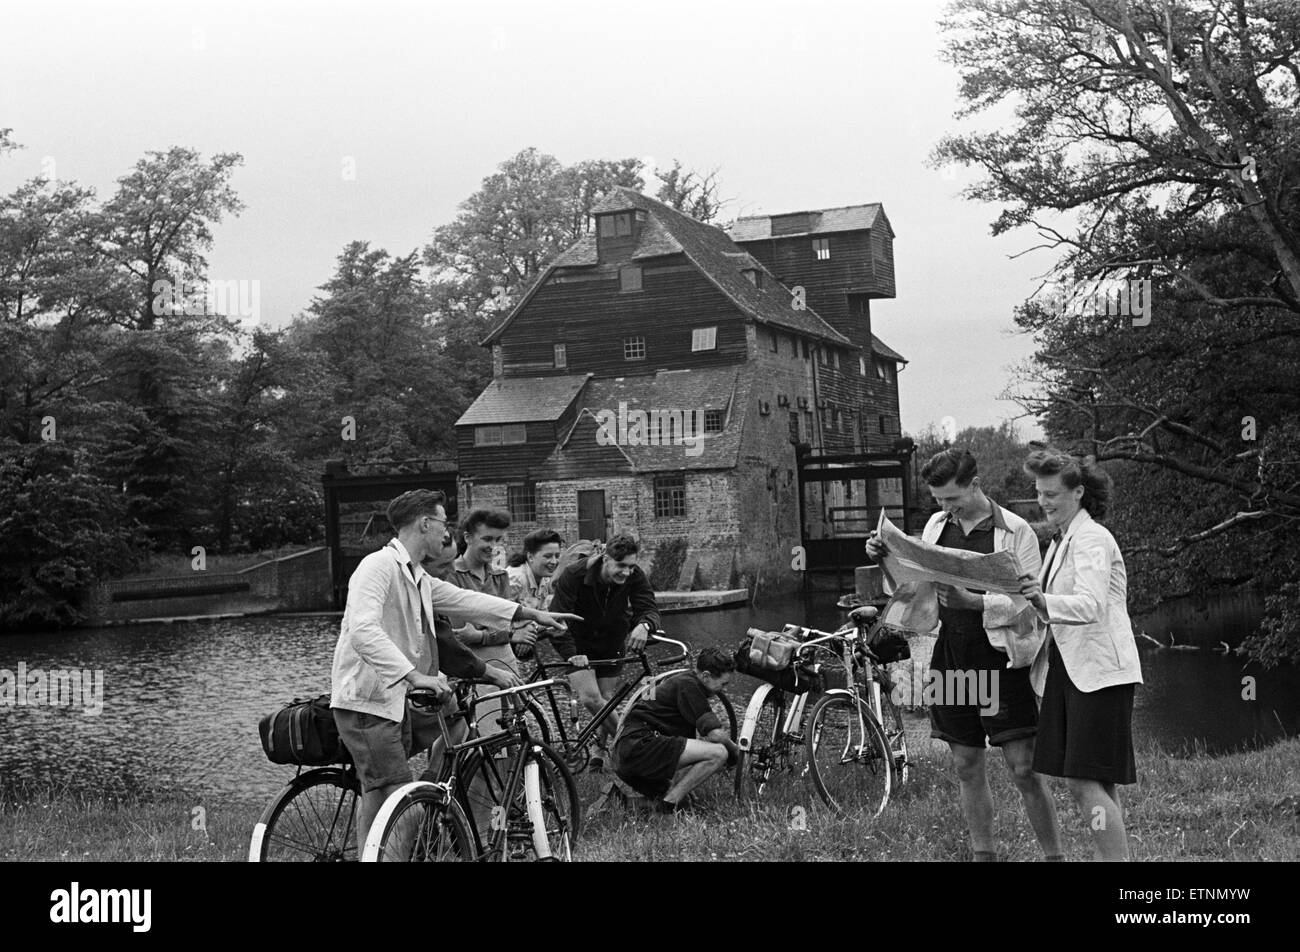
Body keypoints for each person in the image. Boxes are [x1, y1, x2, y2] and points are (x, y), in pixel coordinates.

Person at [329, 490, 582, 853]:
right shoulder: (377, 567)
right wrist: (414, 676)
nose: (446, 531)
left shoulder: (415, 575)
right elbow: (362, 630)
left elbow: (466, 600)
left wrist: (530, 614)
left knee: (410, 767)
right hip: (367, 700)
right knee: (398, 797)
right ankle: (408, 836)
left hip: (393, 700)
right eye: (443, 522)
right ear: (424, 523)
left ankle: (430, 801)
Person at [865, 448, 1063, 862]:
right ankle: (982, 855)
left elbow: (1029, 602)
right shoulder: (937, 525)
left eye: (952, 499)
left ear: (975, 484)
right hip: (951, 654)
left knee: (1022, 767)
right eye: (938, 500)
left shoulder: (1017, 530)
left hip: (1000, 659)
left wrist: (972, 601)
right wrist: (886, 560)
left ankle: (1054, 857)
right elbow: (911, 590)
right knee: (966, 763)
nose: (944, 508)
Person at [1018, 448, 1142, 862]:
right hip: (1071, 670)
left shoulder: (1091, 538)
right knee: (1096, 782)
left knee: (1081, 781)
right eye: (1039, 493)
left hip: (1099, 673)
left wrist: (1043, 599)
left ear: (1078, 493)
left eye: (1052, 494)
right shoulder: (1063, 539)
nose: (1043, 501)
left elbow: (1090, 604)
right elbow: (1042, 602)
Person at [547, 533, 660, 770]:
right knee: (590, 698)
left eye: (630, 566)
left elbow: (648, 607)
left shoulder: (634, 575)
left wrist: (644, 625)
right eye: (621, 566)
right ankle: (632, 749)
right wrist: (570, 653)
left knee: (606, 700)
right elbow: (557, 618)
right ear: (605, 558)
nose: (627, 573)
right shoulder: (575, 574)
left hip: (611, 639)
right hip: (578, 642)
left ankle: (599, 754)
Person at [614, 647, 738, 813]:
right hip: (640, 747)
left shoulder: (682, 679)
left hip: (628, 751)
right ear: (706, 676)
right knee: (719, 753)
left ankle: (647, 801)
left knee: (682, 796)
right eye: (723, 684)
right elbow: (715, 734)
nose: (724, 689)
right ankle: (668, 805)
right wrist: (736, 752)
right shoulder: (689, 686)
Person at [449, 510, 539, 717]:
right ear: (468, 538)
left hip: (505, 660)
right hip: (475, 663)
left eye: (498, 539)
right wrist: (509, 634)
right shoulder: (452, 575)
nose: (493, 546)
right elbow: (461, 633)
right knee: (477, 727)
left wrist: (485, 633)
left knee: (513, 726)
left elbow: (500, 624)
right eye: (487, 539)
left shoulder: (500, 576)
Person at [506, 528, 564, 660]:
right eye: (548, 556)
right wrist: (516, 633)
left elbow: (542, 615)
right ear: (530, 557)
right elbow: (496, 615)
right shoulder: (515, 579)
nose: (554, 561)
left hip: (522, 641)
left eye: (557, 556)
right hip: (500, 643)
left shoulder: (543, 577)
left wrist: (531, 628)